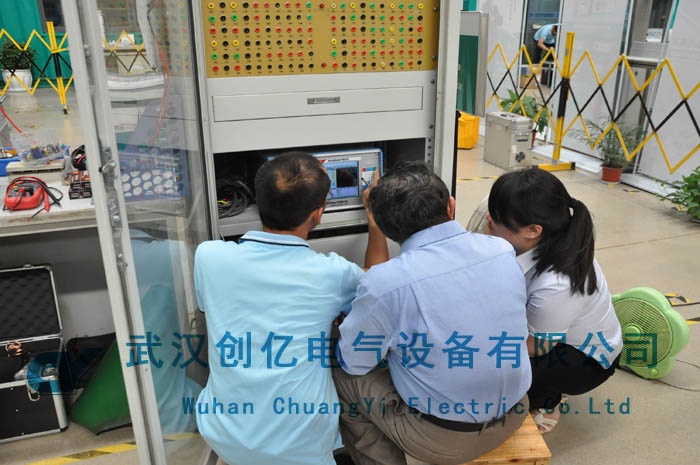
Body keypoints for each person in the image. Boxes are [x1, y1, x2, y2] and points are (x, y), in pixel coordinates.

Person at [193, 151, 388, 465]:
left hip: (223, 434)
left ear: (258, 200)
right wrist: (375, 223)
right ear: (318, 214)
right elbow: (381, 286)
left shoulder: (208, 257)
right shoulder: (333, 274)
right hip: (302, 445)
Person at [334, 161, 532, 465]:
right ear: (451, 206)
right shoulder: (501, 250)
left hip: (447, 440)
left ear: (384, 227)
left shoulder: (386, 283)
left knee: (343, 372)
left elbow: (355, 363)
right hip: (516, 411)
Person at [485, 168, 623, 434]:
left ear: (532, 230)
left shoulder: (557, 283)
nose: (488, 221)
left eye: (495, 221)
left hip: (584, 359)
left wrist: (483, 349)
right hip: (554, 332)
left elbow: (538, 346)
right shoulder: (548, 238)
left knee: (489, 366)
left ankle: (545, 400)